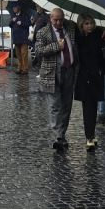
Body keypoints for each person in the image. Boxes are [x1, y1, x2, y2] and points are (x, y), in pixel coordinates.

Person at [33, 8, 77, 150]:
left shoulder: (70, 28)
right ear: (50, 19)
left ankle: (62, 134)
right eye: (55, 20)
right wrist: (56, 46)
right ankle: (58, 136)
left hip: (69, 71)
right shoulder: (43, 32)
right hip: (51, 73)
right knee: (55, 105)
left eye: (61, 19)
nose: (58, 22)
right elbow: (39, 51)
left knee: (66, 105)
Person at [74, 15, 105, 148]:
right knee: (87, 107)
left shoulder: (97, 35)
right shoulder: (78, 38)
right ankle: (89, 136)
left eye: (91, 23)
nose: (89, 26)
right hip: (84, 77)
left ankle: (92, 134)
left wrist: (103, 30)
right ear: (81, 25)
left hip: (96, 75)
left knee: (94, 106)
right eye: (86, 23)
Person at [10, 2, 33, 76]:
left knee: (24, 54)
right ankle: (19, 68)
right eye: (13, 8)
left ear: (19, 7)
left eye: (15, 7)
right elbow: (10, 25)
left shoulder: (24, 15)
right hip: (16, 38)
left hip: (23, 38)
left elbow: (29, 24)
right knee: (18, 54)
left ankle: (25, 68)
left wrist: (21, 23)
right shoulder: (13, 16)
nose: (14, 9)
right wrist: (12, 21)